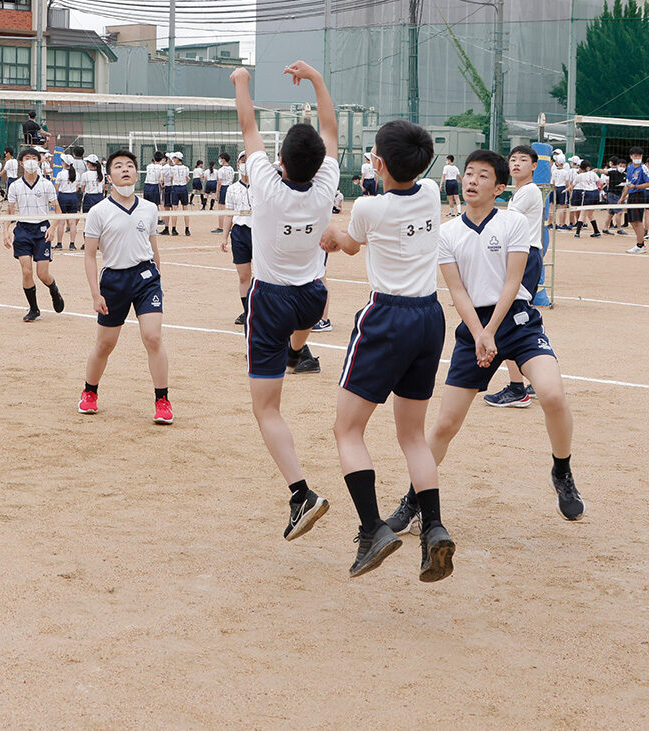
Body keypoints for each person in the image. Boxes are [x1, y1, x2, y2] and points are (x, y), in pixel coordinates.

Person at [395, 148, 584, 526]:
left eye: (482, 176)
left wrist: (492, 332)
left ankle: (561, 471)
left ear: (499, 187)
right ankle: (413, 498)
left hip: (516, 322)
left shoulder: (513, 223)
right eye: (468, 174)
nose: (471, 181)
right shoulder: (447, 233)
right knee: (446, 425)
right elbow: (458, 291)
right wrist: (480, 335)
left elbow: (514, 282)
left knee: (552, 393)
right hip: (474, 330)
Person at [319, 120, 453, 580]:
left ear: (378, 163)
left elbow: (351, 247)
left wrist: (333, 234)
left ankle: (372, 528)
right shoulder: (432, 191)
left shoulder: (369, 208)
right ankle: (433, 527)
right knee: (412, 436)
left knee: (347, 430)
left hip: (387, 318)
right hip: (429, 318)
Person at [231, 60, 340, 543]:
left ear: (281, 161)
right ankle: (298, 352)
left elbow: (248, 125)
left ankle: (301, 494)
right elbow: (331, 130)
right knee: (303, 326)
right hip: (313, 300)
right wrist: (316, 80)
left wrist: (241, 82)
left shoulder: (266, 187)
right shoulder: (326, 186)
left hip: (272, 299)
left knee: (266, 409)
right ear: (319, 163)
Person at [79, 149, 171, 424]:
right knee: (105, 344)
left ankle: (162, 401)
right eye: (118, 166)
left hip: (146, 278)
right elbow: (89, 255)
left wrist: (159, 279)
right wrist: (95, 293)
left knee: (153, 337)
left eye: (130, 165)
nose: (126, 169)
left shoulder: (149, 208)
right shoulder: (98, 212)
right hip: (114, 282)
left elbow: (154, 248)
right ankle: (89, 392)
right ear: (109, 177)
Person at [482, 145, 545, 409]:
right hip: (524, 254)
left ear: (534, 166)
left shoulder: (529, 191)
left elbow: (506, 224)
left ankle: (518, 388)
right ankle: (537, 378)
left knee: (511, 317)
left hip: (525, 255)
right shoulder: (522, 192)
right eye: (513, 159)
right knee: (518, 316)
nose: (516, 163)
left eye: (523, 160)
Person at [4, 148, 66, 322]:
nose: (30, 161)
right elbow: (9, 211)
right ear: (21, 163)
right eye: (27, 158)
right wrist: (5, 231)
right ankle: (34, 309)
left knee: (42, 274)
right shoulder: (15, 185)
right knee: (26, 271)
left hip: (41, 231)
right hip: (23, 230)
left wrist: (52, 228)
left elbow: (58, 211)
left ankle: (54, 289)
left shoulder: (46, 184)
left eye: (34, 158)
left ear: (39, 162)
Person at [221, 159, 252, 325]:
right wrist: (224, 237)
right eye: (242, 161)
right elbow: (229, 214)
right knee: (243, 275)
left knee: (264, 276)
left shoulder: (262, 186)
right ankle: (247, 311)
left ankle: (262, 310)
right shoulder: (232, 189)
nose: (245, 164)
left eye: (248, 161)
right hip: (240, 233)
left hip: (260, 232)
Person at [624, 146, 649, 253]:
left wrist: (636, 187)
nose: (638, 157)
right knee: (631, 220)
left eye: (640, 155)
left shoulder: (643, 168)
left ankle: (640, 245)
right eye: (635, 155)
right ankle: (641, 244)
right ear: (631, 156)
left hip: (639, 194)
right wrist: (622, 198)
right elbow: (628, 183)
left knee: (637, 220)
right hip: (631, 195)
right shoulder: (630, 167)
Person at [54, 155, 82, 250]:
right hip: (73, 196)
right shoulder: (77, 174)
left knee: (61, 221)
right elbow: (78, 187)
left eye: (62, 161)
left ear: (65, 163)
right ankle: (72, 244)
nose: (61, 162)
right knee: (72, 222)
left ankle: (59, 243)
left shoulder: (60, 174)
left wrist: (61, 192)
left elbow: (56, 187)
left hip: (63, 196)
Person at [213, 153, 235, 230]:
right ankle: (229, 227)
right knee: (229, 208)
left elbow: (219, 183)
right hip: (230, 188)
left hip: (223, 188)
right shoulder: (232, 169)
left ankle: (221, 227)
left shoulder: (221, 170)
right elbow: (232, 180)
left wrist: (217, 193)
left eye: (220, 158)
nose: (219, 160)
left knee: (221, 209)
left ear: (223, 159)